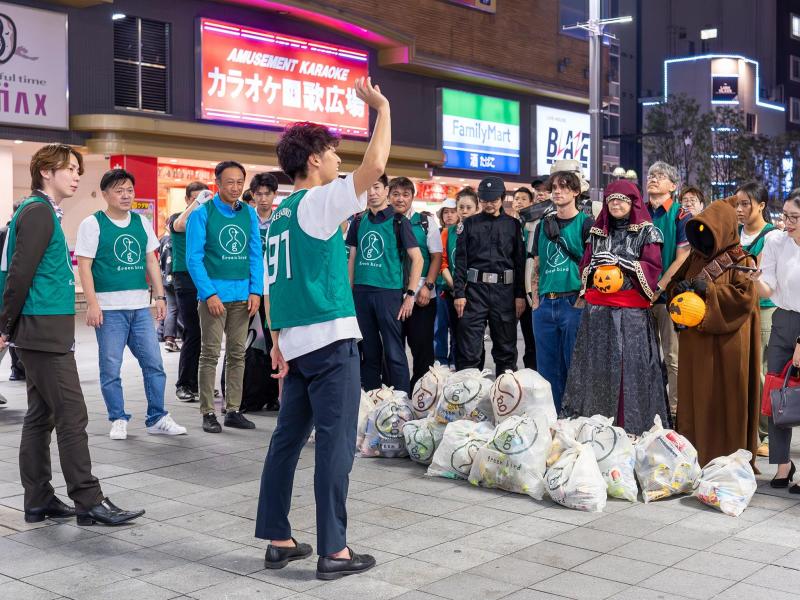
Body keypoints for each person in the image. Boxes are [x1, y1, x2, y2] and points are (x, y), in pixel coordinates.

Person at [256, 77, 389, 579]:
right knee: (334, 445)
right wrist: (382, 108)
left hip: (294, 342)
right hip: (331, 341)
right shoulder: (316, 203)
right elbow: (374, 168)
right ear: (314, 159)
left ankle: (277, 538)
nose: (339, 159)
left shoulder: (279, 215)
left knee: (286, 441)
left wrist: (275, 340)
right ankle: (335, 551)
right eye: (333, 152)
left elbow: (274, 285)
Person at [0, 144, 144, 525]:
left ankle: (38, 498)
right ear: (45, 172)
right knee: (72, 413)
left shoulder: (38, 211)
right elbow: (18, 274)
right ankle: (89, 500)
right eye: (68, 168)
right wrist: (4, 327)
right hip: (42, 328)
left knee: (41, 415)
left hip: (41, 327)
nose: (76, 175)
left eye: (78, 168)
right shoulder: (38, 213)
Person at [76, 168, 187, 440]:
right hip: (109, 310)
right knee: (111, 368)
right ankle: (118, 418)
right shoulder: (93, 223)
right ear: (105, 194)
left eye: (129, 190)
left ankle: (157, 416)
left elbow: (151, 261)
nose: (126, 196)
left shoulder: (140, 222)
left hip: (139, 308)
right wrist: (92, 304)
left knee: (154, 364)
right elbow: (85, 267)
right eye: (119, 190)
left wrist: (160, 297)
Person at [561, 180, 668, 434]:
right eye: (611, 200)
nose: (616, 204)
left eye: (622, 199)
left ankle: (631, 427)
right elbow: (583, 269)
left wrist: (621, 262)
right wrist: (595, 266)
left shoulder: (647, 232)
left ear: (633, 203)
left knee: (629, 372)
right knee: (596, 370)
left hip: (631, 316)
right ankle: (595, 428)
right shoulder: (597, 233)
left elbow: (653, 270)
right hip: (597, 315)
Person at [667, 200, 760, 466]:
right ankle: (693, 458)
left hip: (728, 347)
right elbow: (674, 289)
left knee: (726, 401)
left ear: (724, 229)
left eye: (710, 230)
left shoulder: (743, 260)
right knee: (696, 400)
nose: (704, 237)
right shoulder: (695, 258)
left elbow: (744, 299)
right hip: (696, 347)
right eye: (700, 231)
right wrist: (681, 288)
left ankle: (728, 461)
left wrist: (707, 290)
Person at [186, 161, 264, 433]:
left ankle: (233, 409)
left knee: (237, 354)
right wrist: (209, 294)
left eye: (239, 182)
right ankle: (208, 411)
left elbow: (256, 255)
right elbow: (193, 258)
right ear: (217, 183)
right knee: (209, 354)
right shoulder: (202, 213)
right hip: (214, 298)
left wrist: (256, 290)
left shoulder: (249, 214)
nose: (235, 187)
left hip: (243, 296)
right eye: (229, 182)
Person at [346, 174, 421, 392]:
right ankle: (372, 401)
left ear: (386, 190)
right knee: (368, 352)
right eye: (368, 188)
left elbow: (418, 258)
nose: (372, 192)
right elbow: (353, 258)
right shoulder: (358, 221)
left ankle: (401, 403)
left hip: (388, 294)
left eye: (377, 187)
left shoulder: (399, 221)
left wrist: (410, 294)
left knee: (394, 352)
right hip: (361, 293)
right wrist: (349, 293)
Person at [749, 189, 800, 490]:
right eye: (785, 216)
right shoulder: (775, 241)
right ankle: (783, 466)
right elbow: (769, 289)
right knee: (778, 396)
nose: (787, 222)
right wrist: (756, 279)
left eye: (795, 217)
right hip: (783, 319)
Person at [530, 170, 594, 410]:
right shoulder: (543, 225)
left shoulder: (586, 223)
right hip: (545, 303)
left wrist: (582, 299)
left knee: (575, 367)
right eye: (554, 187)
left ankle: (576, 419)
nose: (557, 191)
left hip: (572, 302)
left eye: (564, 187)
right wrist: (536, 300)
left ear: (576, 192)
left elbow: (593, 264)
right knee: (547, 372)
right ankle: (553, 421)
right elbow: (536, 264)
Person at [454, 176, 526, 376]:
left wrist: (520, 295)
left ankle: (505, 397)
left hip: (505, 293)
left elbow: (519, 262)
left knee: (506, 350)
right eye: (484, 201)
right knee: (470, 350)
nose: (488, 205)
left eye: (493, 200)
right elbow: (460, 262)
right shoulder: (469, 224)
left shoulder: (513, 225)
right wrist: (459, 293)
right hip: (474, 293)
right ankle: (469, 397)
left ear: (502, 198)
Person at [735, 181, 780, 458]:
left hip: (764, 308)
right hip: (738, 306)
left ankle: (762, 433)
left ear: (761, 206)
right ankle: (745, 428)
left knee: (762, 373)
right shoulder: (734, 232)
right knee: (744, 369)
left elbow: (758, 273)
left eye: (745, 204)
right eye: (737, 204)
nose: (739, 209)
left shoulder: (770, 235)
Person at [389, 177, 443, 390]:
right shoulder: (383, 221)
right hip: (391, 295)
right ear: (388, 195)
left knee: (422, 347)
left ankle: (422, 393)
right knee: (392, 349)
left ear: (412, 197)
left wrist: (428, 287)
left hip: (421, 295)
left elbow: (436, 257)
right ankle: (396, 392)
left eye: (405, 194)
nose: (400, 199)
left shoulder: (425, 221)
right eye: (395, 194)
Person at [646, 161, 690, 416]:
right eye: (651, 175)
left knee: (673, 358)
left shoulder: (681, 215)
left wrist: (659, 286)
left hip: (668, 296)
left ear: (673, 186)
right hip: (639, 296)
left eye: (660, 176)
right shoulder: (638, 212)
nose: (653, 179)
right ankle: (648, 408)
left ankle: (676, 413)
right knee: (643, 356)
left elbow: (683, 257)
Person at [170, 181, 210, 402]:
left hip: (206, 279)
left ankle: (200, 384)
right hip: (185, 280)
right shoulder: (177, 217)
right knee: (193, 332)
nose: (201, 202)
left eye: (205, 198)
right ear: (187, 200)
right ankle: (184, 384)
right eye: (195, 198)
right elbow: (181, 224)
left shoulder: (206, 218)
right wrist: (199, 202)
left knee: (207, 336)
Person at [441, 188, 479, 370]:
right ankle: (455, 371)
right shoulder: (448, 233)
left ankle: (473, 375)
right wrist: (457, 287)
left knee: (472, 338)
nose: (464, 211)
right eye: (461, 207)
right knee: (455, 334)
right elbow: (443, 263)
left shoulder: (481, 231)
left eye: (468, 207)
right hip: (453, 293)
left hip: (476, 294)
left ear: (476, 209)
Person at [512, 186, 537, 370]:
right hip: (509, 290)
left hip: (529, 289)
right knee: (507, 340)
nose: (519, 202)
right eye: (516, 198)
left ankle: (531, 373)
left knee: (531, 339)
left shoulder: (535, 226)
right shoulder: (508, 224)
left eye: (523, 199)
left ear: (531, 203)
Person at [434, 198, 458, 366]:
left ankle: (455, 361)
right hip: (441, 287)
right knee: (440, 327)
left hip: (461, 289)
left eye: (452, 211)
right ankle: (441, 362)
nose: (449, 216)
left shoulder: (464, 232)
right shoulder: (437, 233)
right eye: (445, 212)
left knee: (457, 329)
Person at [157, 221, 182, 352]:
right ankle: (173, 338)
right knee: (176, 309)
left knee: (171, 309)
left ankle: (169, 339)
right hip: (175, 278)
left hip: (165, 278)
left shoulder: (162, 240)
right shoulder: (173, 240)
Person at [250, 172, 278, 255]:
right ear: (252, 194)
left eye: (267, 194)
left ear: (275, 194)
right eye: (259, 194)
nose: (263, 199)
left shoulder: (280, 220)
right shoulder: (246, 218)